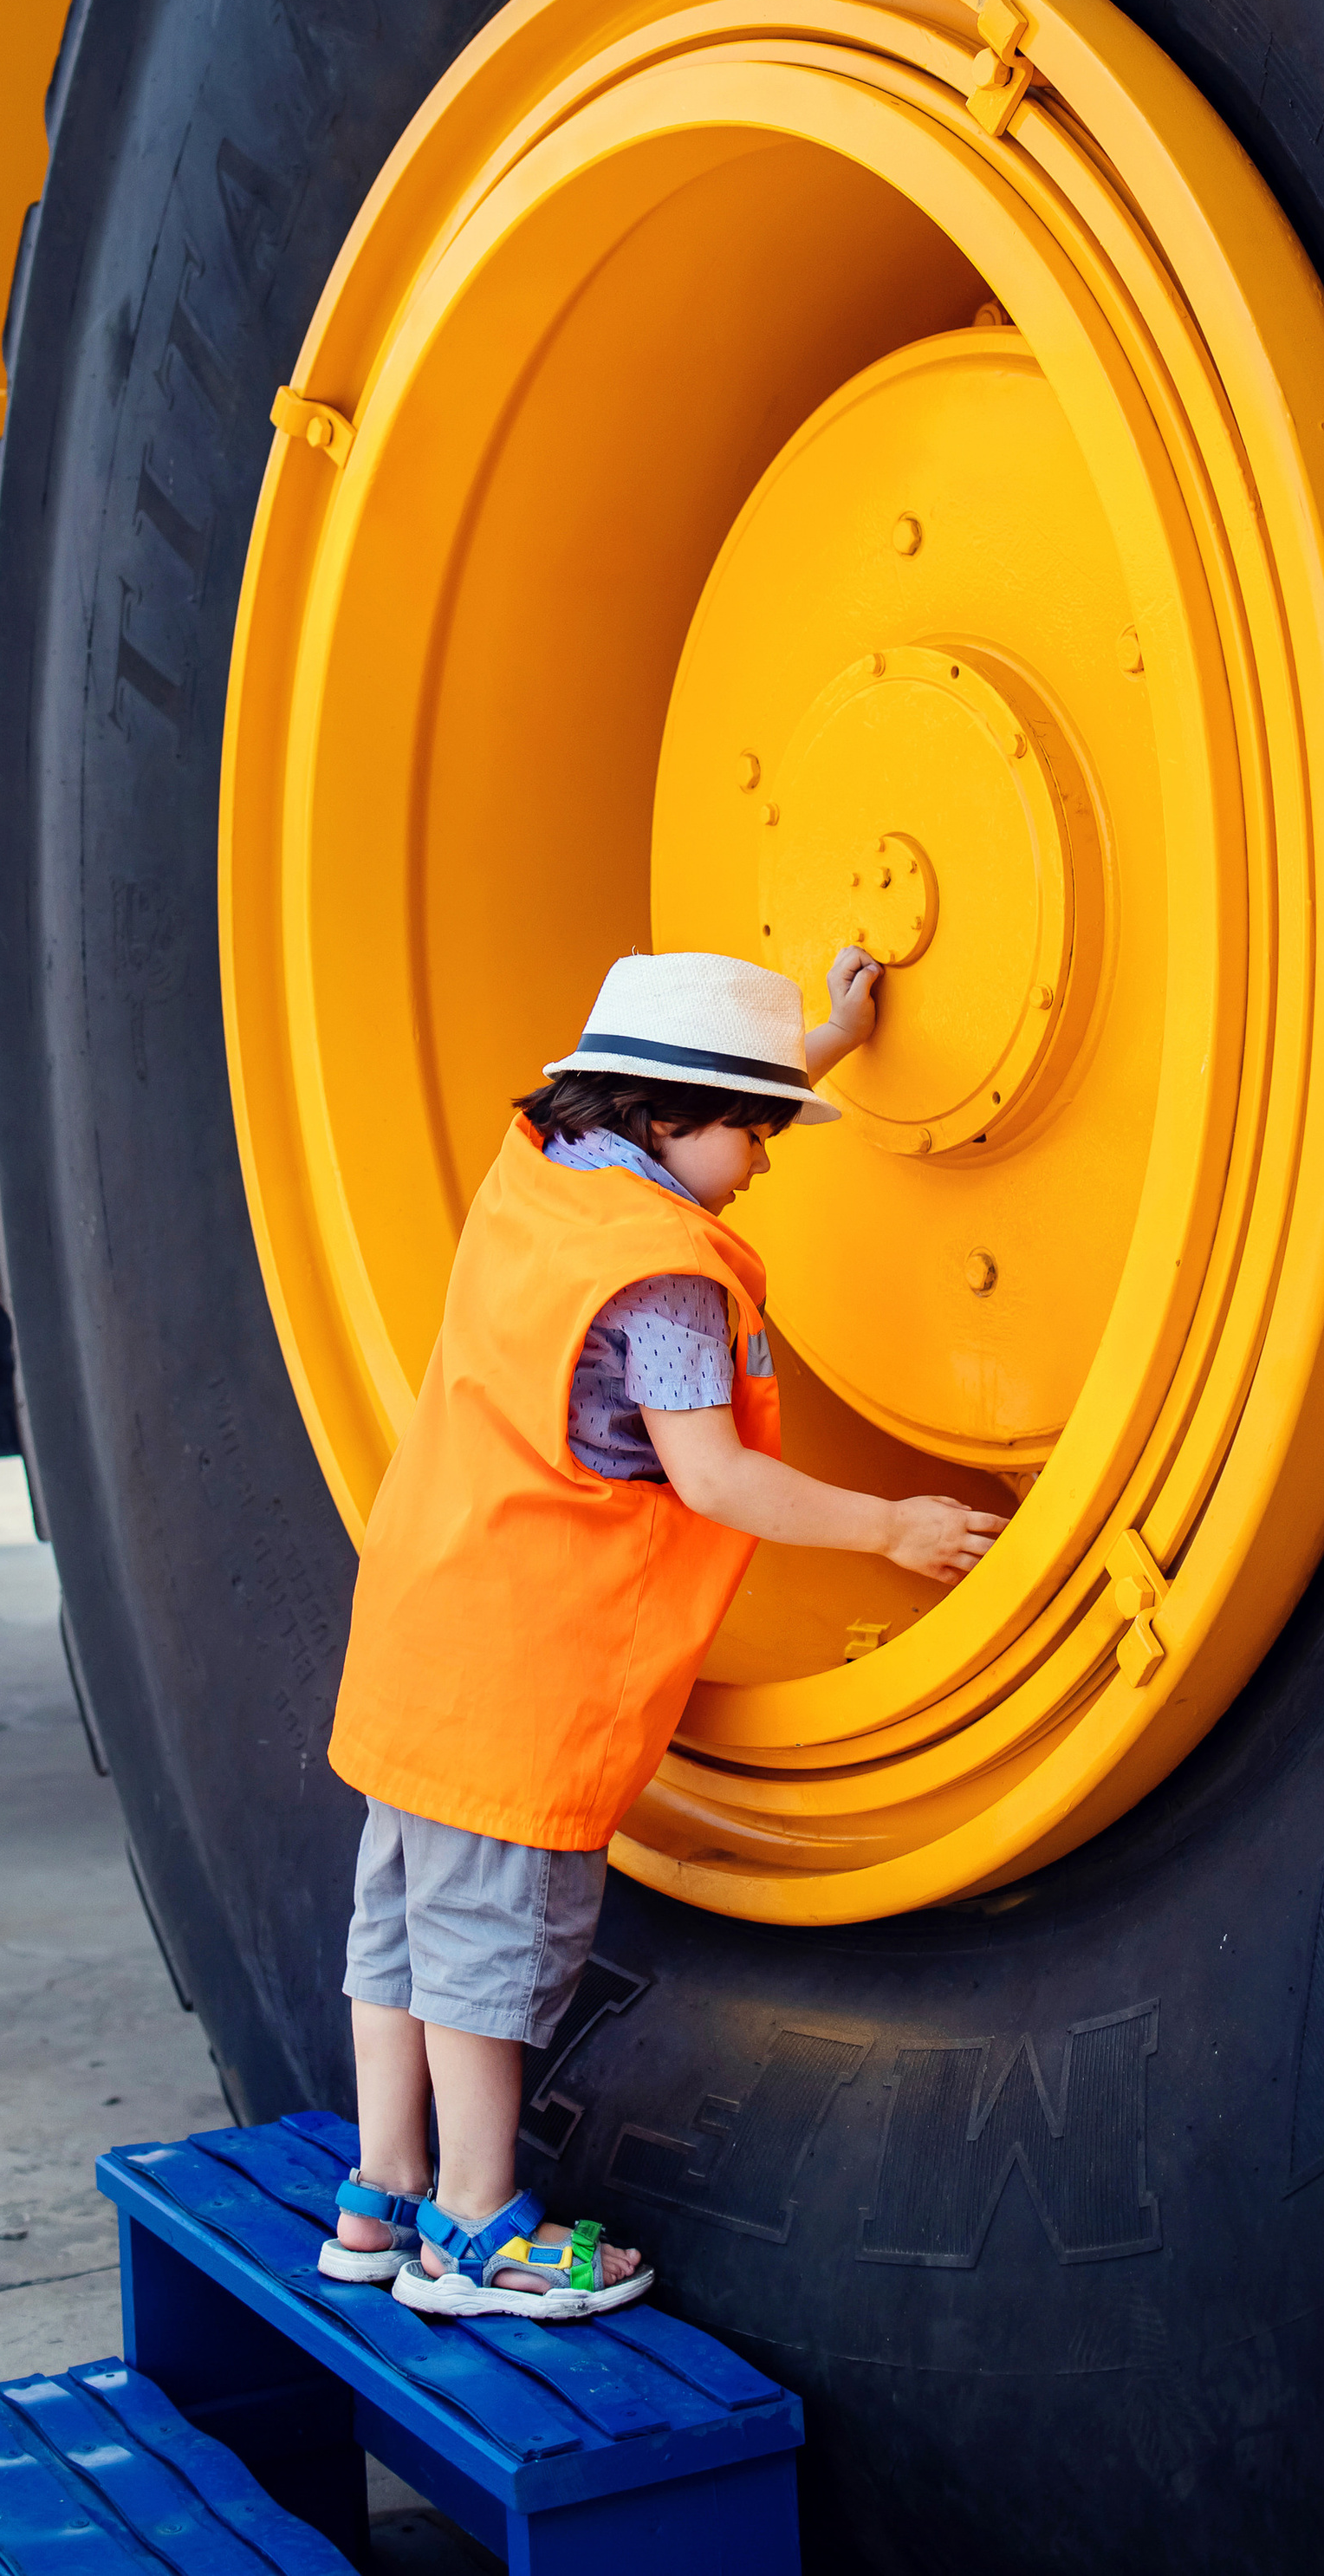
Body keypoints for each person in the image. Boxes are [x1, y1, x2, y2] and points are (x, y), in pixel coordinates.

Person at [318, 946, 1008, 2320]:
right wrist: (892, 1529)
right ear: (672, 1120)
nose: (762, 1163)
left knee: (395, 1925)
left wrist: (817, 1040)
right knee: (488, 1946)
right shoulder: (667, 1280)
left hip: (424, 1616)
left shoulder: (546, 1171)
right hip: (529, 1660)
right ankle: (475, 2233)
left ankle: (377, 2202)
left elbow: (689, 1116)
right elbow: (715, 1479)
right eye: (756, 1134)